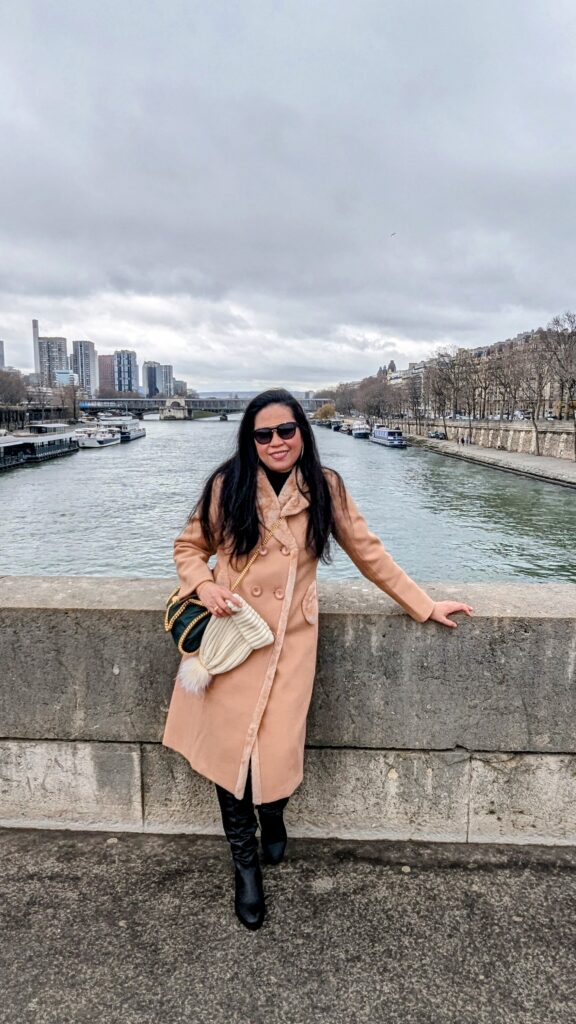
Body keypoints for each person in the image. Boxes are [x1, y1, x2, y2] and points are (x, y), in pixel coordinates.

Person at [163, 388, 473, 931]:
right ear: (250, 440)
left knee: (275, 751)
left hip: (288, 644)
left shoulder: (325, 488)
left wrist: (424, 606)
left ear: (302, 431)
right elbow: (189, 547)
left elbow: (369, 553)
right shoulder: (226, 484)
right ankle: (245, 867)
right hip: (233, 639)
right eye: (264, 434)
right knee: (229, 755)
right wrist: (205, 585)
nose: (277, 442)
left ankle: (273, 814)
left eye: (286, 430)